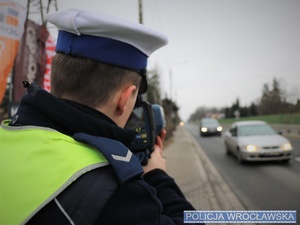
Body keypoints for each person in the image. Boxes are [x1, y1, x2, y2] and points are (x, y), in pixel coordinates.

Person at [0, 8, 204, 225]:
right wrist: (157, 176)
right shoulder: (118, 192)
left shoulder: (8, 132)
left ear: (56, 78)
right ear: (124, 99)